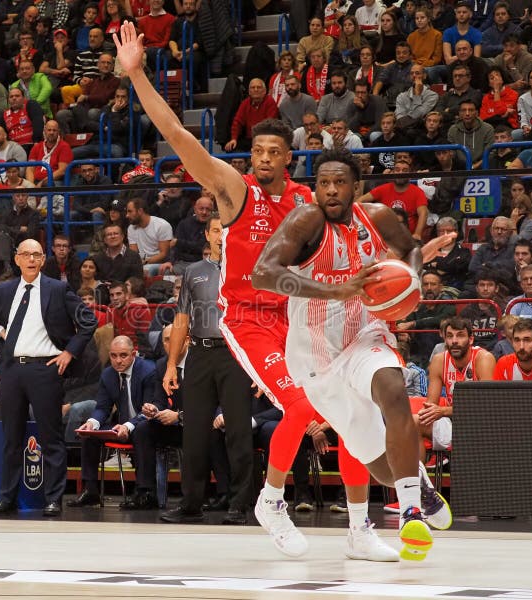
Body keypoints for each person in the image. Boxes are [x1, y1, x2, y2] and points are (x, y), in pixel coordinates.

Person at [116, 22, 402, 559]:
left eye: (274, 151)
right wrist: (136, 74)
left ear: (289, 158)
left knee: (348, 411)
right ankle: (270, 500)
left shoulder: (306, 201)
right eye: (257, 150)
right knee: (300, 404)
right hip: (248, 318)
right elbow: (178, 135)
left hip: (299, 319)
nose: (264, 158)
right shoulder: (232, 189)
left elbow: (352, 246)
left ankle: (362, 529)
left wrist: (396, 267)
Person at [252, 147, 452, 561]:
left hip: (365, 334)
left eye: (339, 182)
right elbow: (263, 273)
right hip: (315, 359)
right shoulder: (305, 220)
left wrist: (410, 279)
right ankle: (414, 480)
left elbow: (409, 247)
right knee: (377, 461)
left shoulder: (375, 217)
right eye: (323, 182)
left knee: (393, 388)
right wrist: (335, 290)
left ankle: (410, 509)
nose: (330, 190)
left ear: (355, 187)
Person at [0, 239, 97, 518]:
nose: (31, 259)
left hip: (45, 369)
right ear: (17, 259)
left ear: (43, 260)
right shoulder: (5, 289)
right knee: (11, 438)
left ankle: (53, 499)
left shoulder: (57, 289)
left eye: (37, 255)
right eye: (25, 254)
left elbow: (88, 321)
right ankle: (6, 498)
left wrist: (69, 352)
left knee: (51, 437)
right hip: (11, 370)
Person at [159, 213, 255, 525]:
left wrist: (260, 367)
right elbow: (181, 320)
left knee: (239, 433)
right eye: (216, 230)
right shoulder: (193, 272)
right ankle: (191, 505)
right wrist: (172, 364)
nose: (221, 236)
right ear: (208, 234)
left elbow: (262, 319)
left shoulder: (249, 268)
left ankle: (241, 505)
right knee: (194, 433)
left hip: (236, 355)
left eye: (226, 231)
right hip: (199, 353)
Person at [69, 336, 157, 508]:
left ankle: (144, 492)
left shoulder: (149, 371)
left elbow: (149, 410)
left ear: (134, 354)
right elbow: (102, 407)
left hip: (147, 425)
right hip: (121, 426)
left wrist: (128, 426)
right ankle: (91, 491)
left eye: (123, 355)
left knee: (142, 429)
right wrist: (92, 423)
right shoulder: (108, 374)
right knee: (90, 434)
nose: (118, 361)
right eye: (113, 356)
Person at [414, 316, 495, 463]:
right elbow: (431, 404)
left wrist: (443, 411)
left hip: (481, 427)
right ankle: (418, 482)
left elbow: (485, 406)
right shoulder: (439, 360)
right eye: (450, 336)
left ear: (471, 339)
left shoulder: (483, 359)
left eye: (460, 335)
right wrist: (429, 412)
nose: (454, 341)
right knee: (413, 422)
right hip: (452, 423)